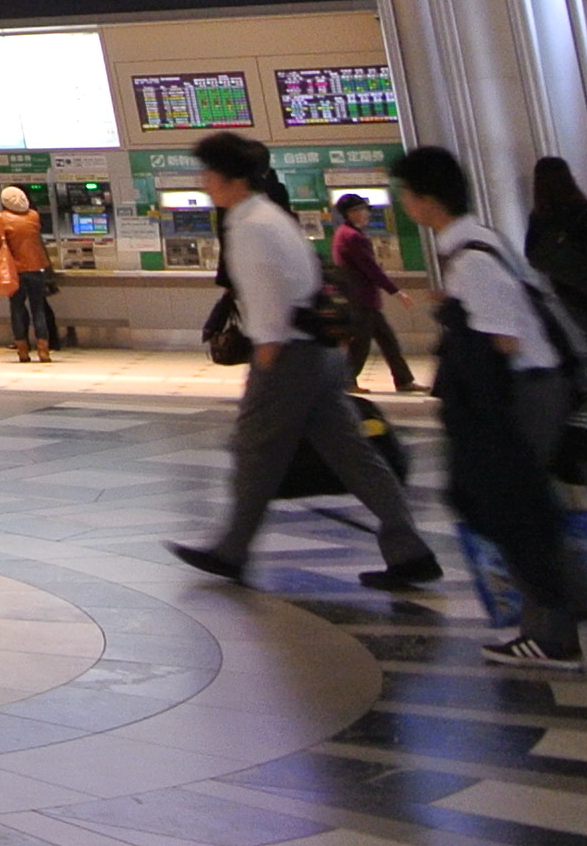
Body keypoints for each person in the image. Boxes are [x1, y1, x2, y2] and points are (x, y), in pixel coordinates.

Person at [172, 131, 442, 592]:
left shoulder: (247, 224)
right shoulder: (272, 216)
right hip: (318, 354)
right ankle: (410, 550)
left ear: (225, 176)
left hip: (288, 356)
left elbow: (266, 297)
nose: (204, 181)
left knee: (254, 450)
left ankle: (231, 551)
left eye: (207, 173)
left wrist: (268, 355)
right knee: (354, 456)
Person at [394, 144, 587, 670]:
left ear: (425, 200)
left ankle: (553, 631)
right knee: (518, 509)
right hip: (527, 390)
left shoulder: (471, 259)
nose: (405, 204)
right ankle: (548, 626)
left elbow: (503, 338)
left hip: (523, 395)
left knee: (513, 510)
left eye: (407, 194)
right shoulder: (480, 243)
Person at [524, 156, 587, 371]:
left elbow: (531, 254)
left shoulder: (540, 217)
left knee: (572, 345)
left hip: (562, 291)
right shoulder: (584, 211)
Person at [330, 194, 418, 394]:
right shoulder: (353, 237)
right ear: (348, 214)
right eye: (358, 210)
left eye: (364, 209)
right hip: (360, 299)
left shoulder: (344, 233)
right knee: (361, 344)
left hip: (361, 299)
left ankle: (404, 381)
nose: (364, 214)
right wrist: (396, 292)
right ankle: (347, 381)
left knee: (388, 341)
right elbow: (372, 270)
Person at [0, 185, 56, 363]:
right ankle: (43, 351)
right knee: (38, 309)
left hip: (14, 271)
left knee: (17, 309)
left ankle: (23, 351)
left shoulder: (1, 218)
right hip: (36, 268)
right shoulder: (34, 215)